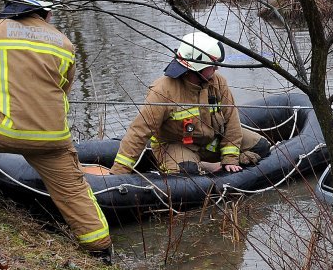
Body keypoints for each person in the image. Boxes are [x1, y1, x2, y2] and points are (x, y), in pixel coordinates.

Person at [0, 0, 112, 261]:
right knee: (75, 192)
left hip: (2, 131)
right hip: (52, 138)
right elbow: (63, 89)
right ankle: (101, 249)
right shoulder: (64, 44)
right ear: (46, 10)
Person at [109, 31, 270, 177]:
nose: (217, 68)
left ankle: (211, 165)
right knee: (187, 173)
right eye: (212, 65)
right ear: (196, 67)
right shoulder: (163, 91)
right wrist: (118, 173)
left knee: (261, 147)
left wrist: (230, 159)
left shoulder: (218, 83)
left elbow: (232, 123)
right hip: (177, 146)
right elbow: (138, 132)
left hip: (211, 142)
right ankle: (202, 166)